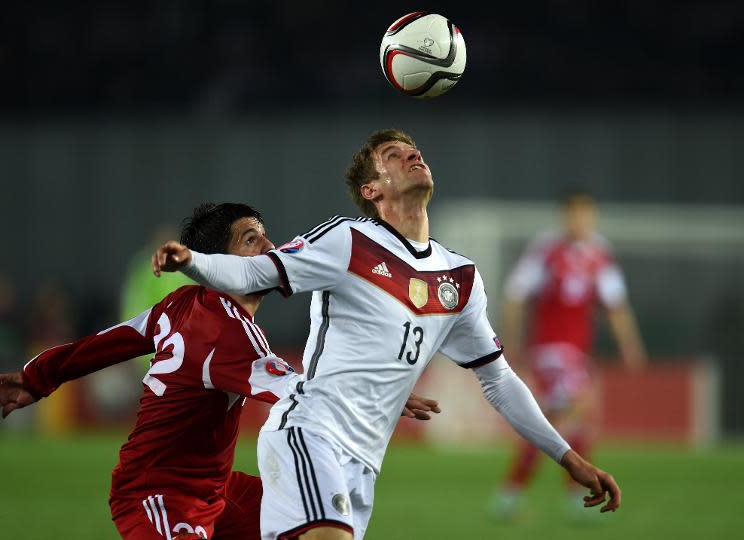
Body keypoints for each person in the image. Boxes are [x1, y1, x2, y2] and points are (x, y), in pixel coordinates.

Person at [153, 130, 622, 540]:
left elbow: (499, 382)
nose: (412, 156)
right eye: (394, 155)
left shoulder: (459, 279)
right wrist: (194, 263)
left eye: (414, 151)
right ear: (371, 189)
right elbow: (256, 272)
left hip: (364, 465)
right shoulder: (348, 241)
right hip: (310, 432)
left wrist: (569, 458)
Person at [0, 202, 440, 540]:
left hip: (215, 490)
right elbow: (299, 393)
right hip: (158, 493)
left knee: (311, 513)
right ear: (221, 263)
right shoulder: (227, 335)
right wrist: (388, 397)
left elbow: (110, 342)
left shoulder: (183, 304)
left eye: (265, 235)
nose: (270, 248)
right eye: (251, 239)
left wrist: (38, 377)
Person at [495, 192, 645, 517]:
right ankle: (573, 497)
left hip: (577, 352)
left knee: (558, 423)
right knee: (574, 412)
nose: (579, 221)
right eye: (573, 215)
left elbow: (616, 306)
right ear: (564, 217)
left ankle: (512, 493)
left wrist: (629, 345)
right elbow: (515, 295)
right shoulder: (546, 252)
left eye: (585, 215)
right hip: (550, 350)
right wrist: (511, 339)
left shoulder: (599, 255)